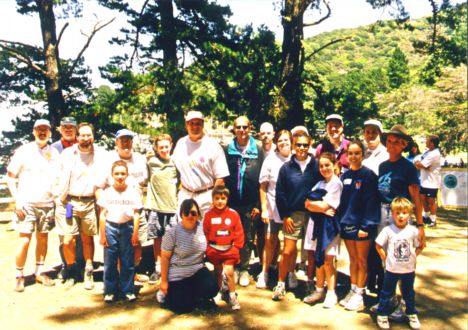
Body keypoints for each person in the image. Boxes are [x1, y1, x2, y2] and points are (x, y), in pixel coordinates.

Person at [372, 125, 426, 318]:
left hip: (400, 216)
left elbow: (416, 197)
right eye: (390, 141)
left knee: (402, 258)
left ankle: (405, 303)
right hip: (382, 213)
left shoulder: (408, 168)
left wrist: (420, 225)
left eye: (397, 142)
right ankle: (389, 299)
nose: (392, 145)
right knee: (386, 259)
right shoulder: (383, 166)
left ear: (403, 145)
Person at [7, 119, 59, 292]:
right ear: (34, 131)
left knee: (43, 238)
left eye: (45, 129)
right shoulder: (24, 151)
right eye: (39, 129)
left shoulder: (54, 153)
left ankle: (39, 272)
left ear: (50, 132)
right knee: (24, 240)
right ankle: (19, 275)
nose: (42, 132)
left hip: (47, 204)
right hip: (26, 204)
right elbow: (11, 177)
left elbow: (58, 178)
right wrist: (18, 201)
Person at [55, 122, 108, 289]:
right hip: (69, 202)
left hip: (90, 202)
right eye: (82, 135)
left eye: (88, 135)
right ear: (77, 137)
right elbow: (57, 176)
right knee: (68, 239)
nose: (86, 138)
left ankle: (88, 270)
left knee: (87, 238)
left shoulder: (100, 154)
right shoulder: (68, 154)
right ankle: (71, 270)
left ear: (93, 136)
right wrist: (57, 196)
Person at [95, 129, 149, 285]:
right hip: (115, 214)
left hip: (136, 211)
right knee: (117, 247)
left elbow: (146, 181)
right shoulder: (107, 161)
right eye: (122, 140)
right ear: (116, 142)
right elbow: (98, 187)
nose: (125, 143)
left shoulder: (140, 159)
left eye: (128, 140)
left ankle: (133, 272)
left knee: (137, 242)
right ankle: (119, 275)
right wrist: (106, 208)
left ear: (132, 142)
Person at [273, 132, 322, 301]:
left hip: (313, 213)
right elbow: (280, 193)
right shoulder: (286, 168)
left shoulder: (316, 165)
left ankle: (309, 282)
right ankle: (280, 283)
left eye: (305, 145)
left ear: (310, 145)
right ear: (293, 145)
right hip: (293, 214)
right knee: (288, 251)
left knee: (310, 251)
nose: (302, 148)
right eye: (298, 145)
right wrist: (285, 215)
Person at [337, 140, 380, 311]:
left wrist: (366, 226)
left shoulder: (369, 176)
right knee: (352, 260)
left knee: (362, 260)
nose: (353, 156)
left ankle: (360, 294)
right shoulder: (344, 176)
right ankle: (353, 289)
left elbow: (371, 203)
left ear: (362, 155)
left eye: (357, 153)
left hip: (362, 227)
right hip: (347, 224)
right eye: (350, 153)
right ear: (346, 156)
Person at [223, 116, 265, 287]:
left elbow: (262, 179)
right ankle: (231, 265)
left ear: (250, 128)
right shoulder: (227, 150)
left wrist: (258, 205)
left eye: (245, 127)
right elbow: (223, 177)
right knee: (229, 236)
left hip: (250, 202)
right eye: (238, 127)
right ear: (234, 129)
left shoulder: (259, 150)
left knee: (248, 236)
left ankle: (245, 268)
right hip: (231, 201)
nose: (241, 130)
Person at [158, 199, 219, 313]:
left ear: (198, 214)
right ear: (181, 214)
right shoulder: (172, 233)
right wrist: (164, 282)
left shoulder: (203, 228)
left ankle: (196, 297)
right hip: (178, 274)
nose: (190, 216)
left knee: (212, 287)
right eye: (186, 213)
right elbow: (165, 258)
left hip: (197, 269)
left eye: (193, 213)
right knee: (182, 308)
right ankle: (172, 296)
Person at [302, 152, 343, 308]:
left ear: (334, 165)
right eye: (321, 166)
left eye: (327, 165)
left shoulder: (336, 183)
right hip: (317, 224)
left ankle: (331, 293)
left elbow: (326, 206)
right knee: (318, 257)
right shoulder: (319, 184)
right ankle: (319, 290)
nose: (324, 168)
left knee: (328, 259)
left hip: (329, 226)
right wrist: (320, 207)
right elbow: (306, 203)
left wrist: (319, 207)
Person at [375, 197, 422, 330]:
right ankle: (382, 314)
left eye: (404, 213)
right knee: (386, 293)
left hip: (408, 270)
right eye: (397, 213)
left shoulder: (413, 230)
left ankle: (411, 314)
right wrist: (385, 259)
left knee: (409, 293)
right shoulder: (388, 230)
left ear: (409, 214)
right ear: (392, 213)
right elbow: (378, 246)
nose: (401, 216)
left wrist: (413, 257)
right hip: (391, 270)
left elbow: (420, 246)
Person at [98, 160, 141, 302]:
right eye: (117, 174)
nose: (120, 176)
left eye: (123, 173)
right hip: (110, 228)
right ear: (112, 175)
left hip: (127, 228)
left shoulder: (133, 192)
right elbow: (102, 214)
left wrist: (135, 233)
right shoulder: (107, 193)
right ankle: (110, 290)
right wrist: (103, 235)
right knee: (110, 261)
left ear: (127, 175)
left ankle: (127, 290)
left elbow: (136, 214)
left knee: (127, 261)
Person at [172, 110, 229, 217]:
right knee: (184, 231)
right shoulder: (181, 143)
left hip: (206, 197)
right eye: (191, 123)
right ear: (186, 125)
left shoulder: (213, 146)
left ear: (203, 125)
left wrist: (214, 199)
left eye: (198, 123)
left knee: (206, 232)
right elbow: (173, 167)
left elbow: (220, 178)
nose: (194, 127)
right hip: (185, 194)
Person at [257, 130, 292, 289]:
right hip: (272, 207)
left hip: (291, 210)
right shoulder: (270, 159)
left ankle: (290, 273)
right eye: (280, 140)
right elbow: (263, 186)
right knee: (270, 241)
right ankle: (264, 273)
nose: (284, 143)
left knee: (289, 244)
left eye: (286, 140)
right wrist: (264, 209)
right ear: (276, 142)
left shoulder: (296, 158)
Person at [203, 186, 244, 310]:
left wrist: (236, 247)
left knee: (229, 272)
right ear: (213, 200)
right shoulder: (208, 215)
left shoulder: (233, 214)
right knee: (218, 272)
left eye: (223, 198)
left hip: (229, 250)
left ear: (227, 199)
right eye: (217, 198)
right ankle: (220, 291)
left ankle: (232, 295)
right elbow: (205, 232)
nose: (220, 201)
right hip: (214, 250)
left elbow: (239, 232)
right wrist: (207, 248)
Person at [145, 133, 179, 284]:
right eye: (161, 147)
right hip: (155, 206)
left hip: (172, 207)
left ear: (171, 146)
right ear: (156, 148)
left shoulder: (176, 163)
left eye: (166, 146)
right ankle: (158, 268)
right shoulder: (150, 162)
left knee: (172, 239)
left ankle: (171, 267)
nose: (164, 150)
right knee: (157, 238)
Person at [415, 135, 442, 227]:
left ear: (432, 143)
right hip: (424, 181)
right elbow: (419, 163)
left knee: (431, 200)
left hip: (432, 182)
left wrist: (422, 165)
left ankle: (433, 219)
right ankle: (425, 217)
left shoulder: (435, 153)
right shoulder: (427, 152)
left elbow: (421, 164)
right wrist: (421, 165)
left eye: (427, 140)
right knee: (423, 198)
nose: (425, 141)